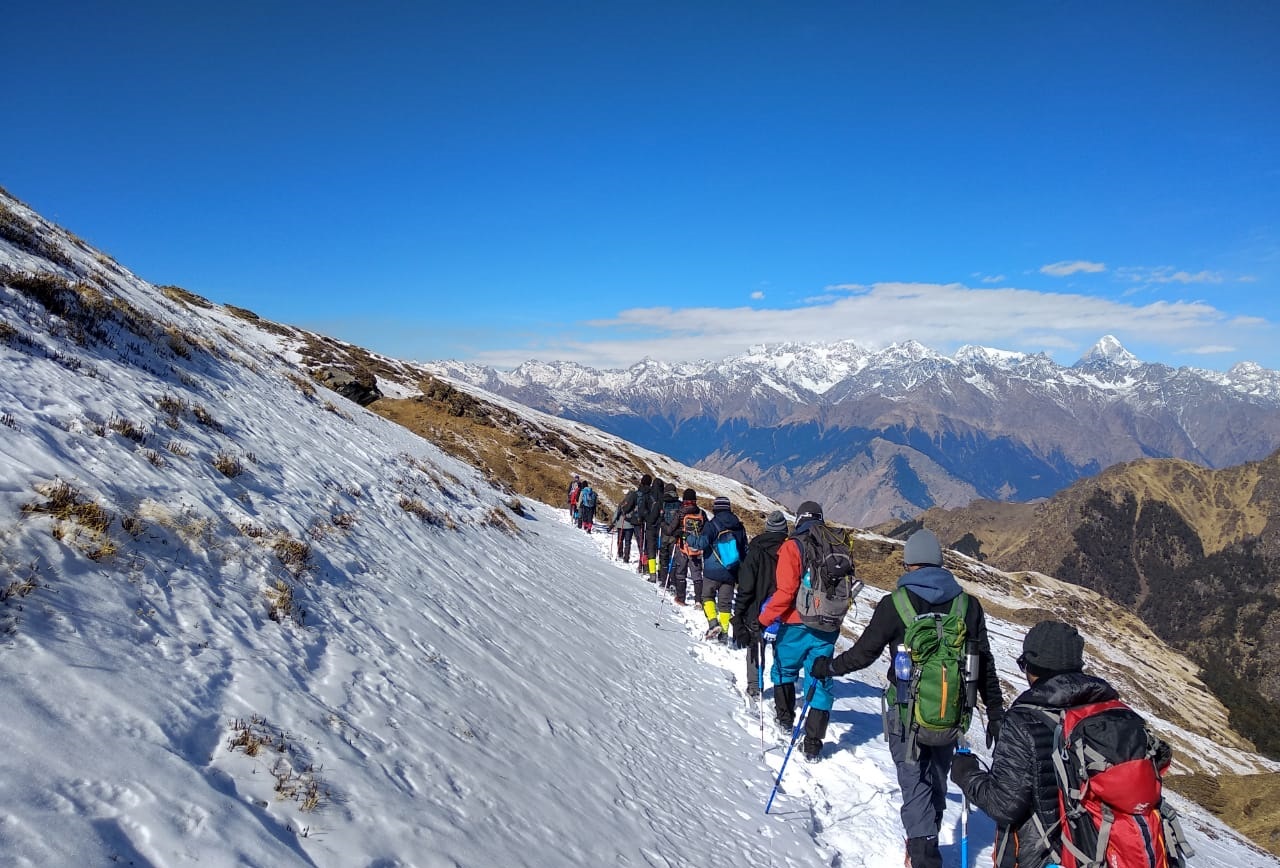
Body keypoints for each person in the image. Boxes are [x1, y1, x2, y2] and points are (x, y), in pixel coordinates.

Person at [809, 528, 1004, 868]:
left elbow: (863, 655)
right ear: (941, 562)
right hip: (951, 711)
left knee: (914, 782)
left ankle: (923, 855)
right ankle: (925, 839)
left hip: (905, 713)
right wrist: (997, 712)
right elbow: (984, 663)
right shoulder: (968, 606)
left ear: (909, 563)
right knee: (936, 779)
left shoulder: (895, 605)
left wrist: (827, 667)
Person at [949, 621, 1176, 868]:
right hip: (1110, 852)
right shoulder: (1120, 713)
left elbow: (1004, 805)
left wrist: (966, 773)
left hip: (1049, 856)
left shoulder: (1023, 720)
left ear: (1033, 667)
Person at [757, 501, 844, 761]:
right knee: (819, 680)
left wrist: (764, 618)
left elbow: (786, 592)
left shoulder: (792, 546)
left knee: (784, 669)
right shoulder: (837, 545)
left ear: (798, 519)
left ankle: (785, 720)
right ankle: (813, 744)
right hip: (828, 626)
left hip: (794, 623)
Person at [732, 510, 788, 699]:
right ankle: (783, 693)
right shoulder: (792, 550)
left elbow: (746, 585)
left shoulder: (755, 550)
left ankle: (755, 686)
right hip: (785, 610)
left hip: (757, 608)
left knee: (756, 646)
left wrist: (738, 612)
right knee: (782, 650)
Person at [699, 496, 748, 642]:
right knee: (725, 603)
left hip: (711, 571)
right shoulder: (739, 526)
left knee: (707, 597)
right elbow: (744, 549)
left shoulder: (711, 524)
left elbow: (702, 543)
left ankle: (713, 623)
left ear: (716, 508)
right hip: (731, 571)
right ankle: (724, 633)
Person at [666, 488, 707, 606]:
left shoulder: (681, 512)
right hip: (697, 548)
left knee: (681, 573)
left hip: (682, 546)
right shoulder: (701, 513)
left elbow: (670, 530)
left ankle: (681, 598)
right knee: (697, 575)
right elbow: (706, 529)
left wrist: (669, 528)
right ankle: (698, 601)